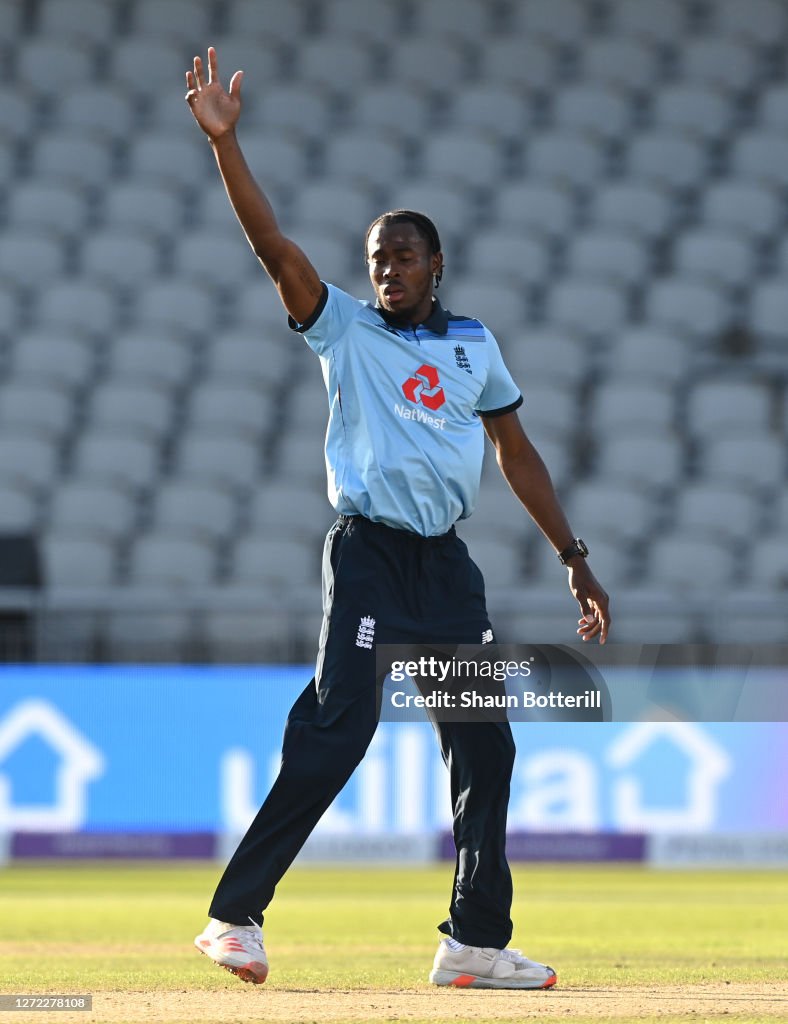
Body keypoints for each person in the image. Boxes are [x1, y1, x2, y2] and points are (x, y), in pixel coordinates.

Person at [186, 48, 610, 991]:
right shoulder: (343, 326)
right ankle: (232, 916)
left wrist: (573, 556)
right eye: (377, 257)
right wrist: (228, 148)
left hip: (447, 570)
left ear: (435, 264)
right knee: (341, 723)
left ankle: (472, 941)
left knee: (485, 742)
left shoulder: (473, 344)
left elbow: (516, 452)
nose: (386, 270)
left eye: (402, 256)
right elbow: (275, 251)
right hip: (371, 553)